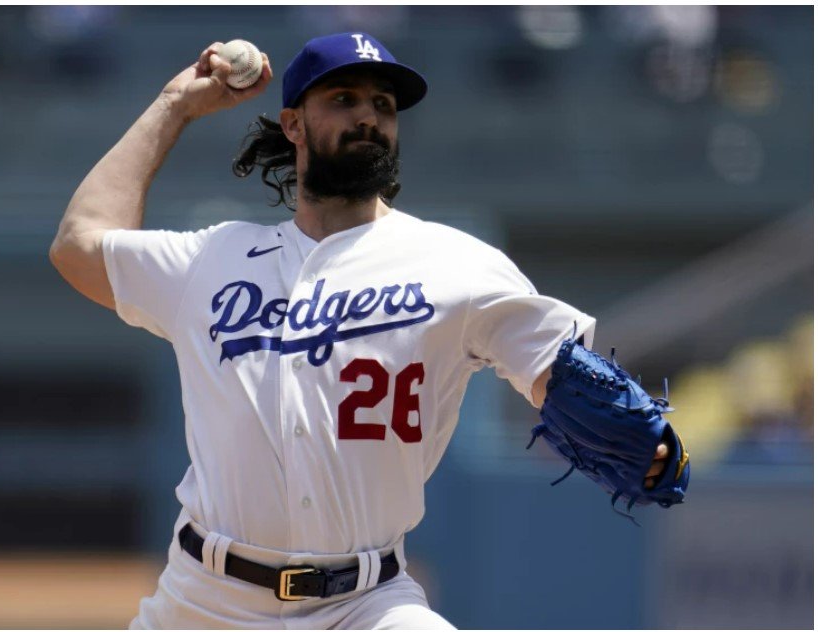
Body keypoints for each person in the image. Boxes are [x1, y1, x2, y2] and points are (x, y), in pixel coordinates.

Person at [50, 32, 672, 630]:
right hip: (207, 601)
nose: (369, 116)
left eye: (383, 104)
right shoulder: (214, 259)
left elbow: (561, 374)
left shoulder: (456, 263)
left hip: (368, 604)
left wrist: (637, 430)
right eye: (343, 100)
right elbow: (79, 246)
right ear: (293, 124)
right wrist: (174, 107)